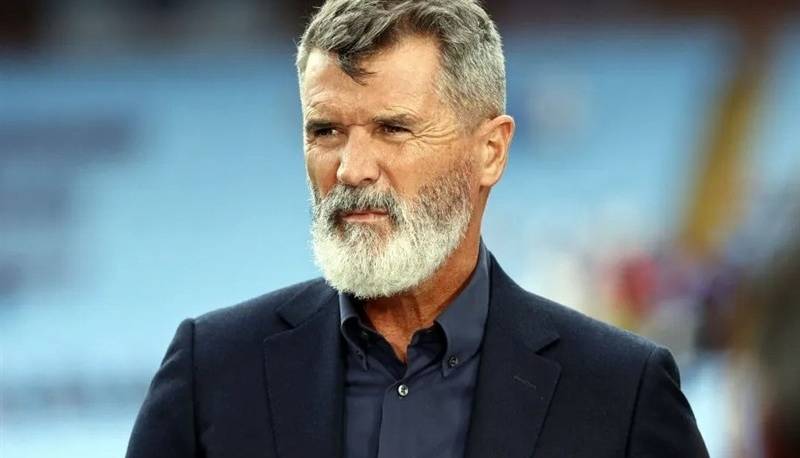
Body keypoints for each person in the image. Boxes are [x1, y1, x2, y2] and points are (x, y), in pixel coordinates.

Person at [126, 1, 708, 456]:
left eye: (393, 129)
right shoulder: (212, 370)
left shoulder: (621, 391)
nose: (351, 169)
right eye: (326, 131)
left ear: (490, 151)